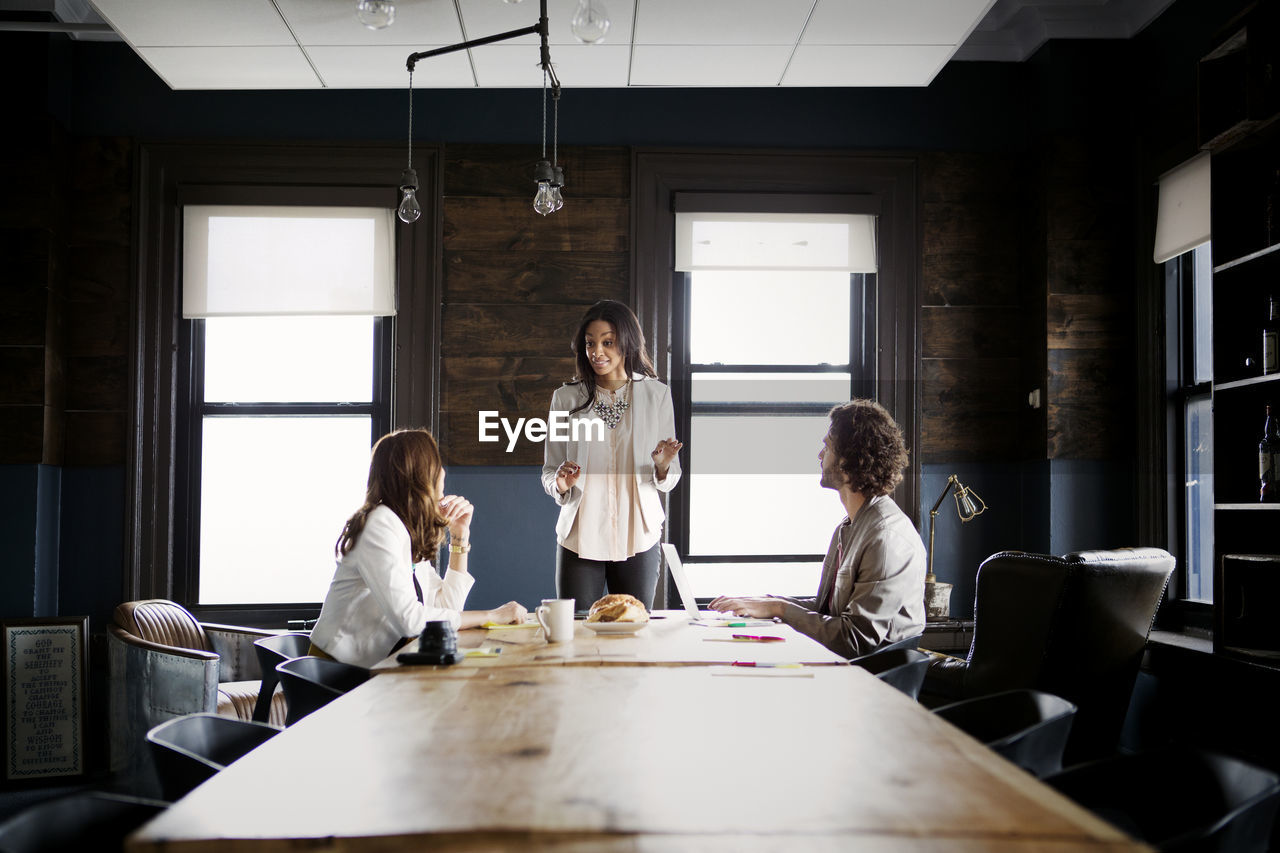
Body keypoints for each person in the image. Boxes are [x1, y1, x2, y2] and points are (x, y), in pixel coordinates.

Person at [710, 398, 925, 659]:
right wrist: (762, 603)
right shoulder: (849, 526)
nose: (820, 455)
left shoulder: (886, 537)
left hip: (873, 679)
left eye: (828, 447)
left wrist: (779, 608)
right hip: (844, 670)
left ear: (850, 459)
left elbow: (854, 640)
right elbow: (826, 611)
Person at [310, 429, 526, 667]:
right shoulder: (380, 524)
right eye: (437, 464)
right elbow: (410, 620)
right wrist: (491, 616)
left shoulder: (404, 526)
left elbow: (445, 610)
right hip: (336, 673)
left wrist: (459, 536)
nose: (443, 472)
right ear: (420, 475)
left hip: (373, 667)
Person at [542, 300, 684, 609]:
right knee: (576, 632)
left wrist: (662, 467)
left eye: (608, 342)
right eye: (591, 343)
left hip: (639, 536)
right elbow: (550, 470)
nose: (597, 351)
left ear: (627, 342)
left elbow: (670, 476)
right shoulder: (565, 398)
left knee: (635, 632)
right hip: (580, 535)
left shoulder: (657, 395)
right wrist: (561, 483)